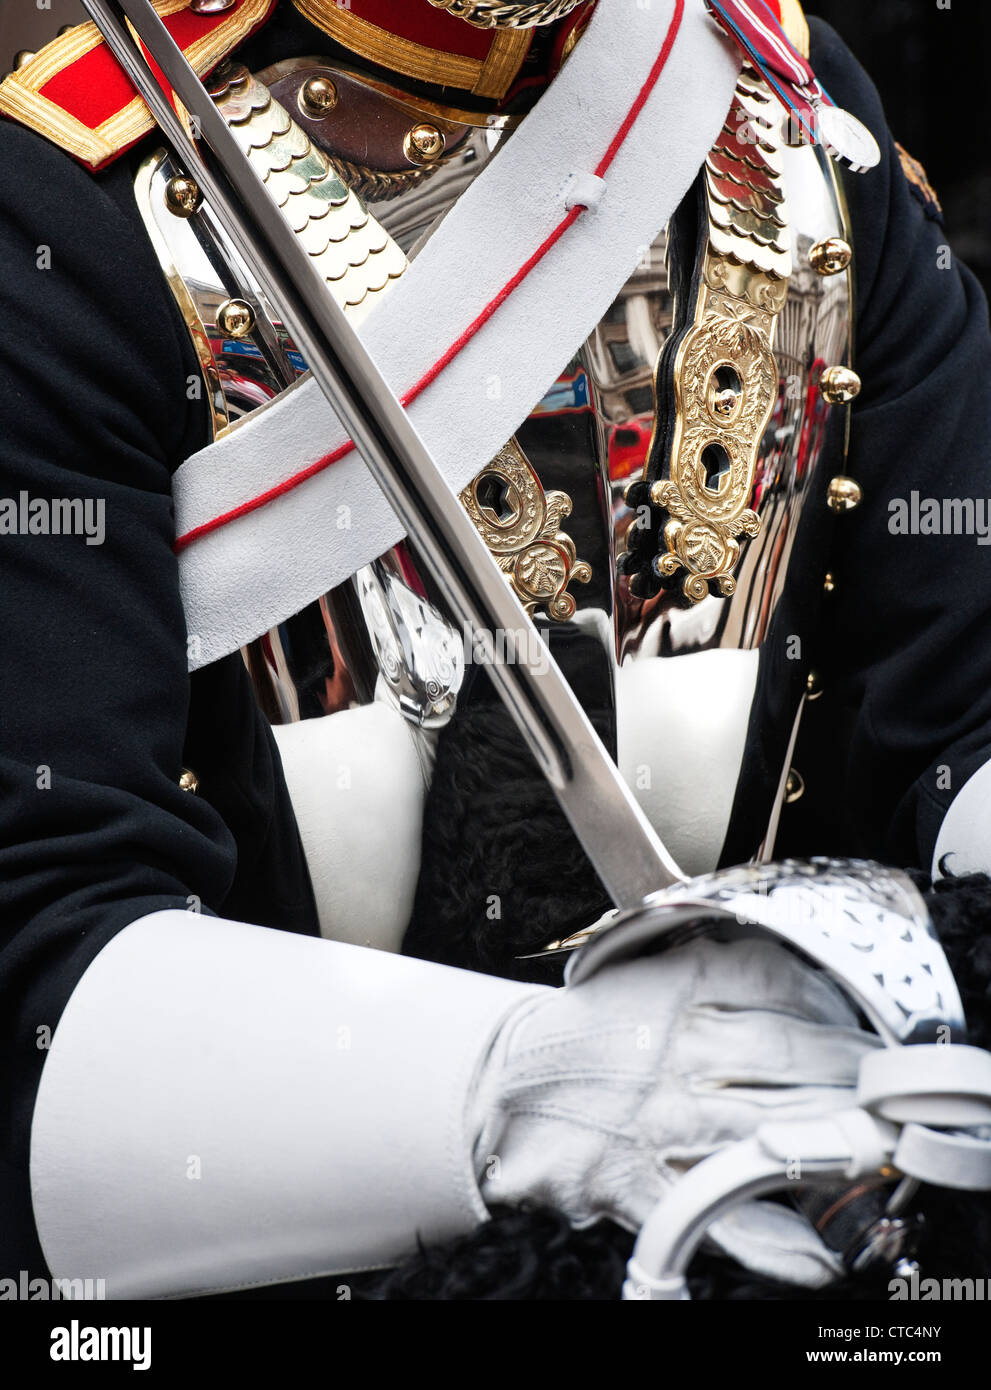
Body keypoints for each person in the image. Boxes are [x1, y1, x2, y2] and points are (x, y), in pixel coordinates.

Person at [1, 0, 990, 1301]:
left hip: (796, 1212)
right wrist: (527, 1092)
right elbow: (45, 951)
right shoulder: (71, 213)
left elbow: (960, 705)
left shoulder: (779, 96)